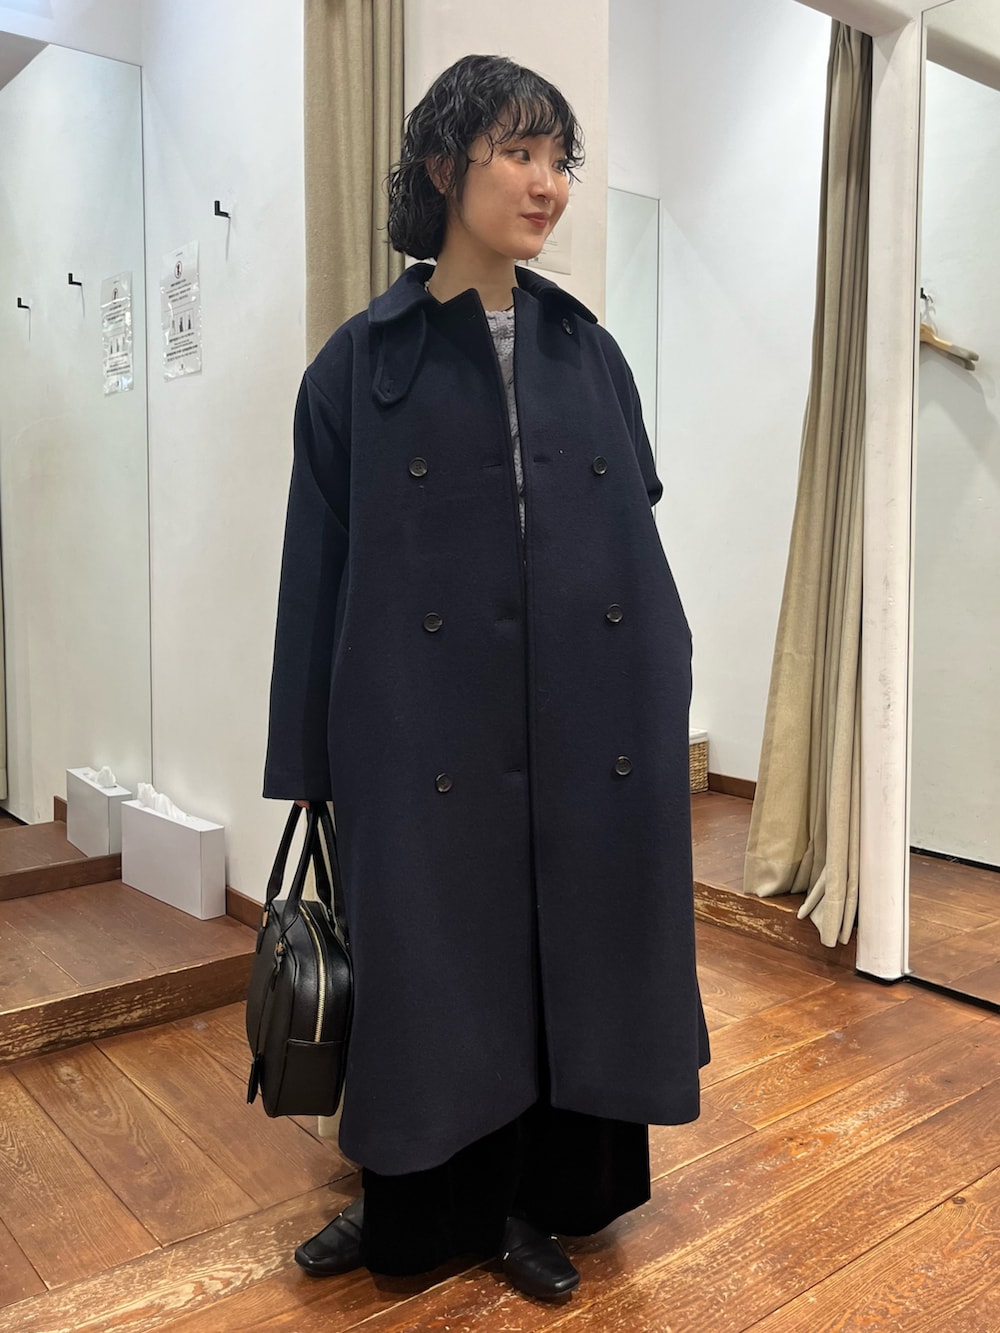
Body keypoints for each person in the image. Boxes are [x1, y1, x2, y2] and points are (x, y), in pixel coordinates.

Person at [263, 53, 710, 1302]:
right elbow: (315, 573)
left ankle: (529, 1201)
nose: (545, 182)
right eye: (518, 152)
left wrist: (662, 678)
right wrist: (310, 763)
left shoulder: (587, 351)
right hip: (422, 725)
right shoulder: (358, 365)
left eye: (559, 159)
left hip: (587, 710)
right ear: (441, 166)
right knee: (430, 967)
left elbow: (629, 531)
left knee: (567, 956)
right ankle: (409, 1201)